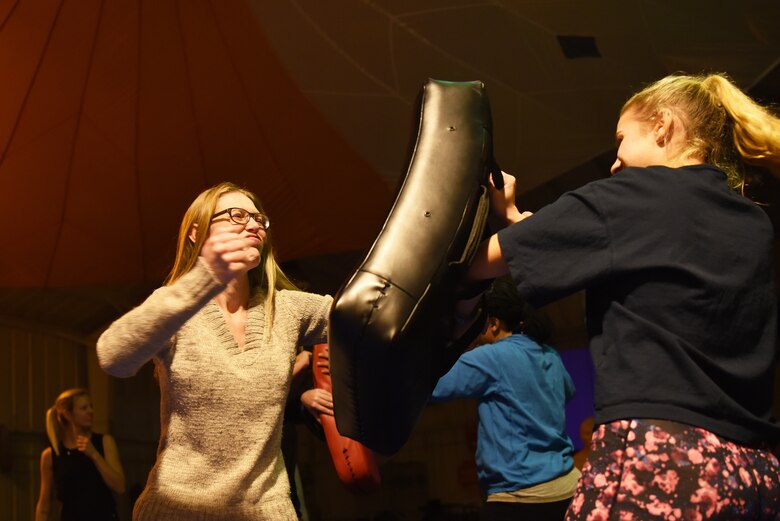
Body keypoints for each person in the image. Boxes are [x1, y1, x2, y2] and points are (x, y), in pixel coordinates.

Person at [459, 73, 780, 519]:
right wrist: (515, 217)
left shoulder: (631, 196)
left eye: (621, 141)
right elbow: (613, 250)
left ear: (663, 126)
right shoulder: (753, 223)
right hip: (754, 474)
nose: (614, 164)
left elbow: (477, 265)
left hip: (664, 463)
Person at [96, 182, 332, 520]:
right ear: (197, 232)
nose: (253, 225)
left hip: (267, 511)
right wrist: (205, 278)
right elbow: (113, 357)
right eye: (237, 215)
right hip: (176, 510)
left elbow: (366, 319)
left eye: (258, 219)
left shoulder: (289, 310)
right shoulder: (174, 307)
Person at [431, 278, 579, 521]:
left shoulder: (492, 356)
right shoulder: (549, 354)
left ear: (494, 323)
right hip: (568, 489)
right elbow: (569, 391)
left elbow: (432, 388)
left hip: (520, 497)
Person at [35, 388, 125, 521]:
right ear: (67, 414)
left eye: (91, 406)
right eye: (84, 408)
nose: (91, 411)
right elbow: (44, 505)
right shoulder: (51, 456)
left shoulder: (104, 442)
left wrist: (94, 454)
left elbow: (120, 486)